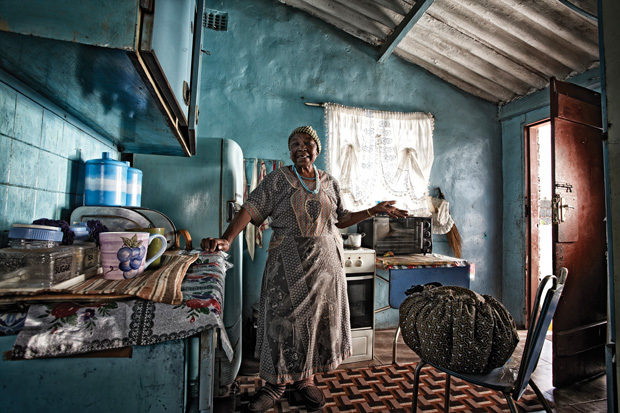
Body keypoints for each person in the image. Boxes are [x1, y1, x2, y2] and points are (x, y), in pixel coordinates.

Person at [201, 126, 408, 412]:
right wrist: (226, 238)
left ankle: (306, 379)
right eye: (295, 143)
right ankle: (275, 385)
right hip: (287, 265)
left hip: (326, 266)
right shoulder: (277, 180)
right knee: (280, 321)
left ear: (317, 149)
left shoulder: (330, 182)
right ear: (289, 150)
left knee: (316, 322)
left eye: (308, 143)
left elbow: (342, 218)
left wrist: (376, 210)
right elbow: (249, 208)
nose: (301, 147)